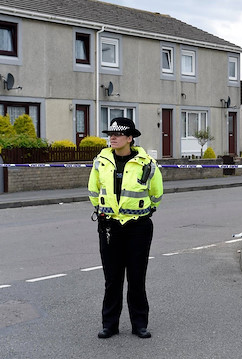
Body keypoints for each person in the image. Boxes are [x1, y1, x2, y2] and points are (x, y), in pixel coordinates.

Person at [88, 117, 163, 339]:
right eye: (110, 134)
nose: (112, 137)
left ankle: (139, 324)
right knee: (112, 279)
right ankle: (109, 325)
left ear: (130, 138)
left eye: (118, 134)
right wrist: (104, 212)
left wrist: (144, 212)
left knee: (137, 277)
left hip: (138, 227)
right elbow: (93, 190)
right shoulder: (100, 161)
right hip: (109, 226)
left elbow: (156, 193)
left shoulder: (147, 162)